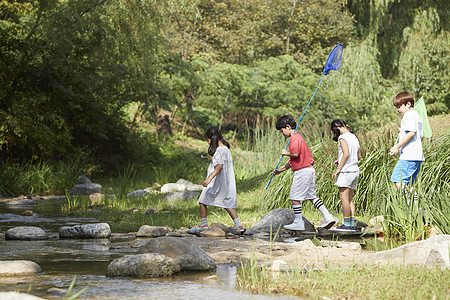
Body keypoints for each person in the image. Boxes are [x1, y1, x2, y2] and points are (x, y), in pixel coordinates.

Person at [273, 115, 336, 231]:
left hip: (302, 171)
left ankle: (298, 222)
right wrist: (280, 170)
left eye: (282, 131)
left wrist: (285, 152)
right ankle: (328, 216)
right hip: (309, 170)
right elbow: (293, 161)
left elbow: (295, 154)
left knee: (294, 197)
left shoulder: (294, 138)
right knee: (312, 196)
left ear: (287, 127)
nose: (282, 134)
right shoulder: (298, 138)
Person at [198, 126, 245, 233]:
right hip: (225, 182)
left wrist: (209, 179)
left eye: (208, 139)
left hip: (216, 182)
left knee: (202, 201)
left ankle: (204, 225)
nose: (208, 142)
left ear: (213, 138)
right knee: (227, 204)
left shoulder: (218, 151)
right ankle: (239, 225)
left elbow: (219, 166)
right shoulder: (226, 149)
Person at [389, 92, 424, 191]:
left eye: (400, 106)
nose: (398, 109)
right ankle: (416, 205)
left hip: (408, 156)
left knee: (398, 179)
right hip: (417, 157)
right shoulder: (416, 115)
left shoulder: (408, 115)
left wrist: (397, 146)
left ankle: (408, 204)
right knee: (409, 184)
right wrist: (403, 132)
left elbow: (412, 132)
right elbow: (420, 136)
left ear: (408, 104)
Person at [330, 119, 361, 231]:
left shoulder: (342, 138)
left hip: (346, 172)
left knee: (344, 199)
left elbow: (346, 154)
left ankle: (347, 225)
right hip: (355, 170)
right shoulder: (353, 137)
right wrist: (339, 159)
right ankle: (351, 224)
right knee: (350, 199)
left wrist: (339, 168)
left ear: (336, 128)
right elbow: (358, 156)